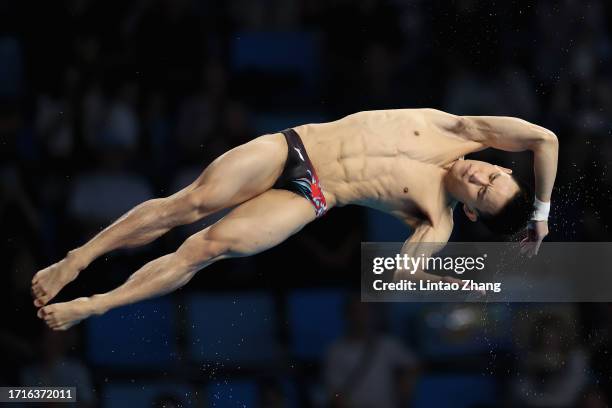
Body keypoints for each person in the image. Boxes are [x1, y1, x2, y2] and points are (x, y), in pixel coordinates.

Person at [32, 108, 558, 330]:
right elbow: (545, 139)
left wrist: (454, 289)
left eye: (482, 192)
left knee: (206, 249)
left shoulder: (436, 220)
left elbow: (400, 274)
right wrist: (541, 214)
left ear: (469, 210)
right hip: (295, 147)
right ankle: (77, 259)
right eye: (491, 175)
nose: (479, 177)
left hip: (313, 196)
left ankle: (97, 305)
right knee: (187, 205)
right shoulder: (464, 129)